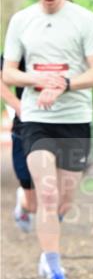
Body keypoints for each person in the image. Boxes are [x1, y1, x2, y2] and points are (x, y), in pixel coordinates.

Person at [2, 0, 93, 279]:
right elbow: (9, 73)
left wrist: (64, 83)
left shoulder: (84, 20)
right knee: (46, 195)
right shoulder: (22, 21)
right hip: (37, 119)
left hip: (75, 119)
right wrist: (37, 81)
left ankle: (48, 246)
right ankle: (56, 273)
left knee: (63, 200)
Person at [1, 55, 37, 232]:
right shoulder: (22, 43)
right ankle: (24, 200)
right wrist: (18, 105)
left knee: (57, 198)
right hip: (26, 127)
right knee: (33, 206)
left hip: (64, 125)